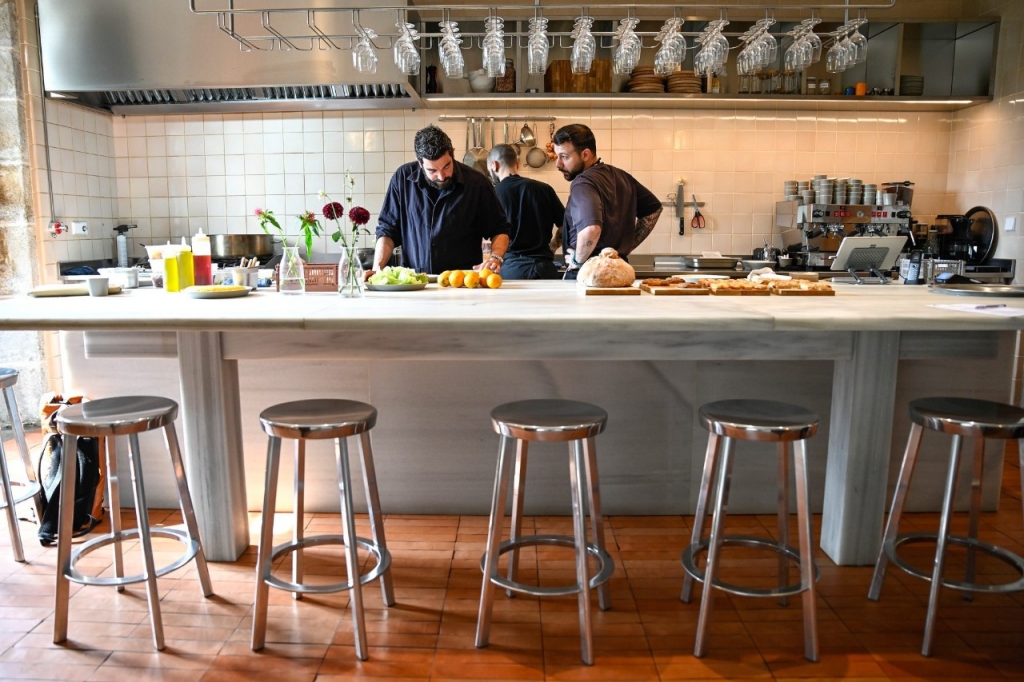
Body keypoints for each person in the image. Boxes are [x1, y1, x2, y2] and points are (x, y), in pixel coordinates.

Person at [372, 125, 511, 275]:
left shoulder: (477, 183)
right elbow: (388, 229)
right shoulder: (402, 179)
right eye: (432, 170)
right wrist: (377, 268)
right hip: (415, 282)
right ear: (420, 163)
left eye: (446, 166)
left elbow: (500, 229)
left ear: (453, 154)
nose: (441, 176)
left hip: (462, 283)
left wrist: (495, 257)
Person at [552, 123, 663, 279]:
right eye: (557, 156)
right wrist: (628, 246)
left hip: (589, 275)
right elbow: (654, 210)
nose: (558, 164)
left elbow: (591, 229)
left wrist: (577, 261)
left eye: (564, 156)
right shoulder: (621, 176)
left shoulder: (583, 183)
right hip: (620, 272)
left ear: (585, 155)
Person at [486, 143, 564, 279]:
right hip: (545, 269)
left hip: (512, 270)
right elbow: (565, 226)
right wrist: (552, 247)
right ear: (517, 163)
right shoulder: (545, 189)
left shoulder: (493, 194)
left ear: (494, 165)